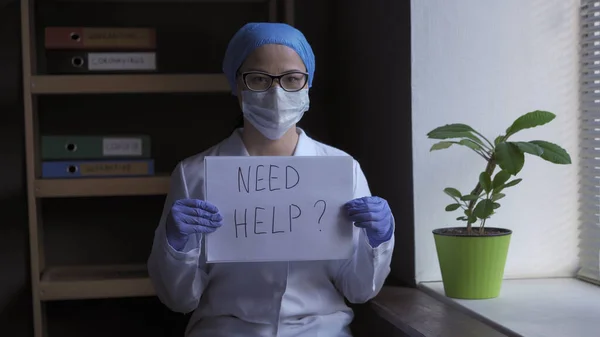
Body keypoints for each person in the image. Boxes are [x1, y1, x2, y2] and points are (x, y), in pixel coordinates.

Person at [147, 22, 395, 337]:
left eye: (292, 79)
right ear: (236, 84)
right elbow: (179, 298)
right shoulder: (195, 173)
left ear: (308, 84)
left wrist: (379, 240)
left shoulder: (342, 169)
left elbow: (360, 290)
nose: (276, 93)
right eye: (259, 79)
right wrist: (175, 244)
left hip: (320, 330)